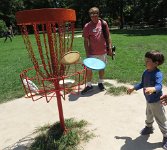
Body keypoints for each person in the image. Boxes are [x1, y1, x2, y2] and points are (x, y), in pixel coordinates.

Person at [127, 50, 167, 149]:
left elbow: (159, 86)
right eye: (146, 60)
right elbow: (142, 84)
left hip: (157, 101)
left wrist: (153, 89)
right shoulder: (146, 72)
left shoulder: (158, 74)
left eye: (148, 61)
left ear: (156, 63)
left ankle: (166, 136)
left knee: (160, 119)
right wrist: (134, 88)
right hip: (149, 100)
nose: (145, 62)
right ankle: (149, 127)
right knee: (148, 115)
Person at [81, 7, 113, 95]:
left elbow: (108, 36)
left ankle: (100, 82)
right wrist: (87, 54)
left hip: (102, 51)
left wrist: (109, 48)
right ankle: (89, 85)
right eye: (92, 15)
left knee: (102, 68)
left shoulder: (103, 23)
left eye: (95, 15)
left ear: (98, 14)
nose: (94, 17)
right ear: (90, 16)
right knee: (89, 70)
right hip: (92, 53)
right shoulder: (87, 26)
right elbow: (85, 41)